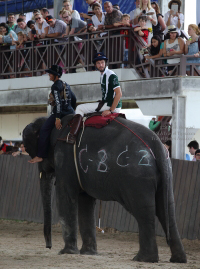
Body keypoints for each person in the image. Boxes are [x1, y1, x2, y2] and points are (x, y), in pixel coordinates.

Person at [67, 52, 122, 144]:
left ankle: (72, 135)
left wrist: (111, 110)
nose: (101, 65)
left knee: (79, 108)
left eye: (102, 62)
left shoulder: (110, 75)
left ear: (105, 63)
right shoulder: (102, 74)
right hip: (106, 103)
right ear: (95, 65)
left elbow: (119, 94)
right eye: (98, 63)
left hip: (110, 106)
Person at [28, 65, 76, 163]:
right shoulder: (66, 84)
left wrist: (58, 118)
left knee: (44, 130)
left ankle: (40, 155)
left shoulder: (55, 86)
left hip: (61, 113)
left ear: (56, 75)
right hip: (70, 112)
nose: (49, 75)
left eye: (50, 73)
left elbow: (58, 103)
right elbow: (74, 99)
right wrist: (72, 110)